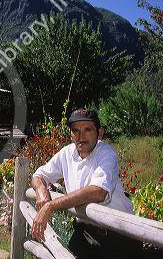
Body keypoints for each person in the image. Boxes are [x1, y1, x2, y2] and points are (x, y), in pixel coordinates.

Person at [30, 109, 142, 259]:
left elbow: (98, 192)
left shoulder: (106, 153)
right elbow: (38, 175)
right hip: (85, 231)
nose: (81, 136)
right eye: (75, 130)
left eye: (87, 129)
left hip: (118, 236)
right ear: (71, 134)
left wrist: (50, 205)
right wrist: (41, 189)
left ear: (100, 133)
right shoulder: (67, 153)